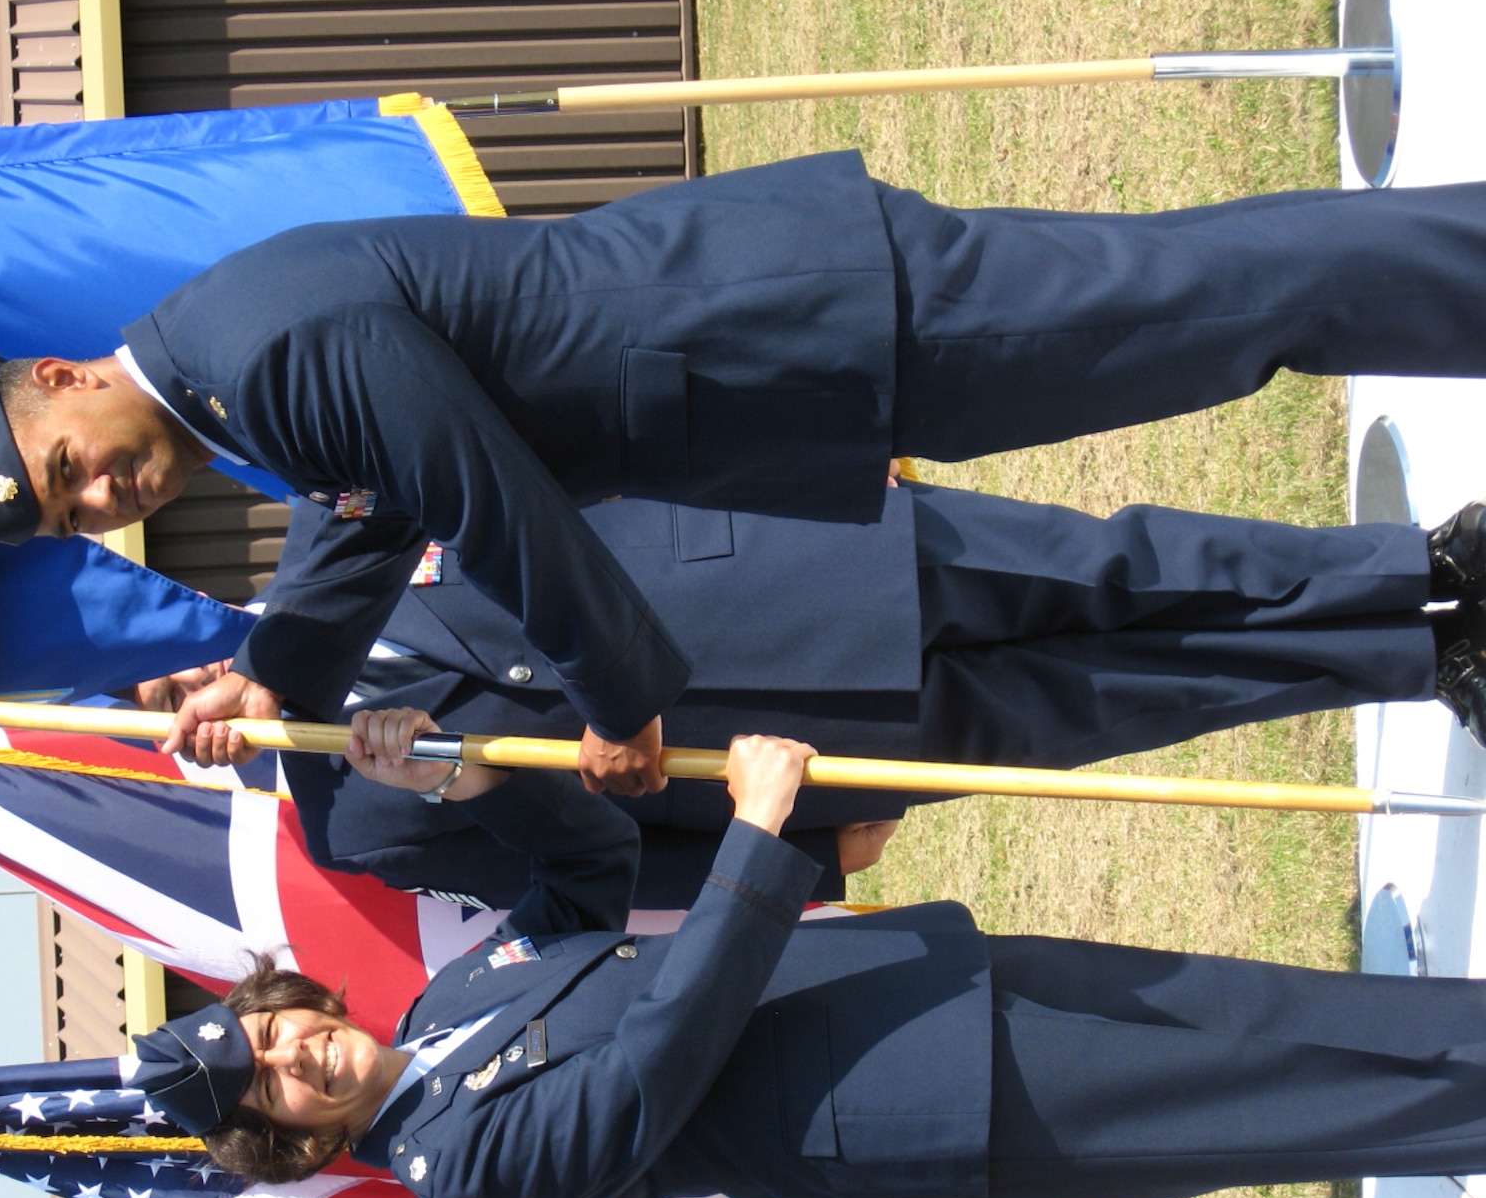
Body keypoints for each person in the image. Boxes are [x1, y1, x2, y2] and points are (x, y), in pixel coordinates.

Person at [0, 153, 1486, 790]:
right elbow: (373, 504)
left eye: (68, 469)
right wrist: (276, 665)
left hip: (799, 319)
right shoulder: (234, 366)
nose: (102, 499)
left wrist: (617, 696)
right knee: (1202, 312)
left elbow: (475, 494)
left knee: (1207, 305)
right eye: (69, 514)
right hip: (796, 348)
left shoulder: (253, 355)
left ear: (58, 382)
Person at [120, 711, 1486, 1198]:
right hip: (908, 1105)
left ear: (290, 1008)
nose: (292, 1060)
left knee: (1237, 1004)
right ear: (294, 1139)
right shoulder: (459, 1172)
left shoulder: (442, 1011)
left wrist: (469, 775)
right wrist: (761, 843)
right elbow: (655, 1065)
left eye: (270, 1037)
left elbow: (583, 893)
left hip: (901, 986)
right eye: (273, 1095)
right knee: (1252, 1100)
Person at [143, 482, 1486, 908]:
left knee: (1125, 561)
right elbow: (591, 880)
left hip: (804, 564)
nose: (195, 689)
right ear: (188, 752)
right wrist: (794, 860)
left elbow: (519, 454)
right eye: (165, 708)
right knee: (1126, 694)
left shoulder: (342, 548)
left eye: (172, 660)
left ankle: (1415, 566)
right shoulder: (355, 826)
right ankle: (1424, 656)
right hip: (803, 748)